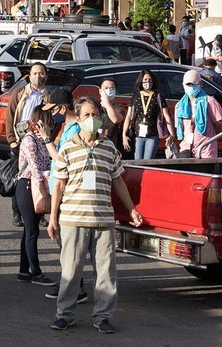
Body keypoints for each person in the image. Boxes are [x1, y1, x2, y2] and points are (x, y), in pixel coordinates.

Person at [48, 97, 143, 333]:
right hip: (73, 219)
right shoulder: (67, 147)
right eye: (87, 115)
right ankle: (65, 315)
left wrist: (131, 209)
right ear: (78, 120)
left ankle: (103, 316)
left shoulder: (109, 147)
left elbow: (118, 181)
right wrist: (52, 218)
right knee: (70, 270)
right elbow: (58, 185)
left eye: (95, 115)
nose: (92, 120)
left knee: (106, 272)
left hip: (102, 220)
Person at [40, 88, 88, 303]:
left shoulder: (75, 129)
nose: (52, 113)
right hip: (58, 188)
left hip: (67, 191)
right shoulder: (66, 126)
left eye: (54, 109)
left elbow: (61, 160)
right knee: (63, 242)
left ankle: (75, 287)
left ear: (63, 107)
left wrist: (46, 140)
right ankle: (74, 284)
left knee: (67, 243)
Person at [14, 106, 57, 287]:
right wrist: (44, 193)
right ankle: (36, 273)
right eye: (47, 122)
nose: (50, 126)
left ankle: (24, 271)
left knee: (29, 231)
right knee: (32, 231)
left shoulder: (44, 140)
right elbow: (34, 168)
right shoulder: (30, 140)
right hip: (27, 185)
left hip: (39, 185)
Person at [5, 63, 50, 227]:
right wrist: (12, 140)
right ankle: (17, 212)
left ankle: (41, 210)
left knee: (41, 176)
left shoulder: (48, 97)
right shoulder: (20, 93)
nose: (39, 76)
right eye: (35, 73)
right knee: (20, 178)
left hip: (41, 143)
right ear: (29, 76)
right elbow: (9, 117)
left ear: (46, 75)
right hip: (21, 142)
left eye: (41, 73)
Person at [122, 70, 175, 160]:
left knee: (148, 160)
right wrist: (124, 135)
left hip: (152, 134)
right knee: (137, 160)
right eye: (145, 79)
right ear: (141, 80)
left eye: (150, 80)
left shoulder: (158, 96)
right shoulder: (136, 96)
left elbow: (166, 116)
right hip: (138, 134)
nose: (148, 82)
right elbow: (128, 117)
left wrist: (172, 134)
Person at [175, 70, 222, 158]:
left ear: (200, 84)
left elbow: (220, 126)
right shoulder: (179, 106)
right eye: (188, 84)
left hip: (206, 150)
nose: (191, 87)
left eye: (193, 84)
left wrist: (208, 137)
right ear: (183, 85)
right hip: (186, 150)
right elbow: (180, 129)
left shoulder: (210, 102)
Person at [98, 78, 126, 148]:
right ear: (100, 91)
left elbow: (115, 119)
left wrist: (106, 102)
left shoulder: (119, 108)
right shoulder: (94, 107)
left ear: (115, 91)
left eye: (112, 88)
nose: (109, 90)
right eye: (106, 88)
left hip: (110, 146)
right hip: (95, 144)